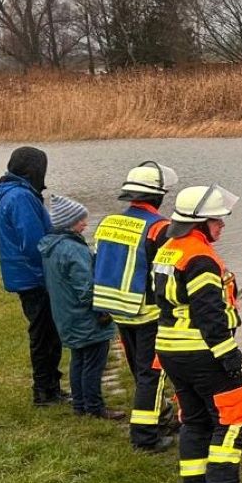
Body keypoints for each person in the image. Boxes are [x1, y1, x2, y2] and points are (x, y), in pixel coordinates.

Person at [152, 184, 242, 483]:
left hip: (171, 350)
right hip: (203, 352)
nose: (222, 225)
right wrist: (227, 353)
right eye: (217, 219)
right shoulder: (200, 258)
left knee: (195, 422)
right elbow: (208, 314)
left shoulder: (168, 249)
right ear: (199, 222)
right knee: (234, 421)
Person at [93, 161, 179, 451]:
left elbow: (99, 264)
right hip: (149, 313)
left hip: (118, 310)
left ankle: (162, 416)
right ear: (158, 196)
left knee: (139, 371)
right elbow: (168, 275)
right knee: (151, 375)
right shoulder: (160, 228)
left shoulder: (108, 223)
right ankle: (145, 437)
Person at [0, 146, 65, 406]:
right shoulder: (20, 196)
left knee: (47, 333)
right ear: (33, 171)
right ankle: (44, 391)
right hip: (34, 276)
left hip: (25, 274)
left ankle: (51, 386)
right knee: (44, 335)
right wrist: (58, 261)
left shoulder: (11, 192)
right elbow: (34, 243)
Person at [40, 195, 120, 419]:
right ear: (68, 223)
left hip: (66, 315)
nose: (85, 223)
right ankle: (94, 407)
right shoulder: (74, 249)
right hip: (85, 317)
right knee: (94, 362)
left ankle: (80, 405)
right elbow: (86, 289)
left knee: (78, 360)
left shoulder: (52, 246)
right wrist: (102, 311)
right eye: (80, 220)